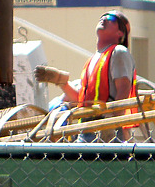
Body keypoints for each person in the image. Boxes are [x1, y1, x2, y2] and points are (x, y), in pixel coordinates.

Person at [34, 10, 137, 141]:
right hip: (87, 127)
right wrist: (61, 82)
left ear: (120, 33)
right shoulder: (93, 59)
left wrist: (112, 123)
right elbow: (81, 99)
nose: (104, 19)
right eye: (102, 16)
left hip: (107, 129)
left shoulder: (118, 52)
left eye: (111, 18)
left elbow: (123, 89)